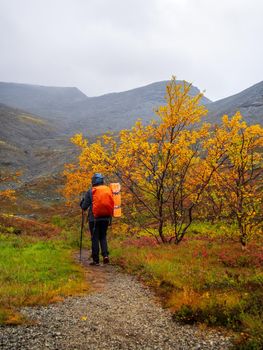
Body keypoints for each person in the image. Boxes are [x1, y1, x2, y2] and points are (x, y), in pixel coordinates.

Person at [80, 173, 113, 266]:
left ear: (93, 181)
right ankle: (105, 255)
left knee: (95, 238)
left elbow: (84, 207)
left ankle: (96, 260)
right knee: (103, 237)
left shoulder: (90, 191)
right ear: (102, 180)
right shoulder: (108, 190)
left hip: (94, 219)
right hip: (106, 218)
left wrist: (82, 202)